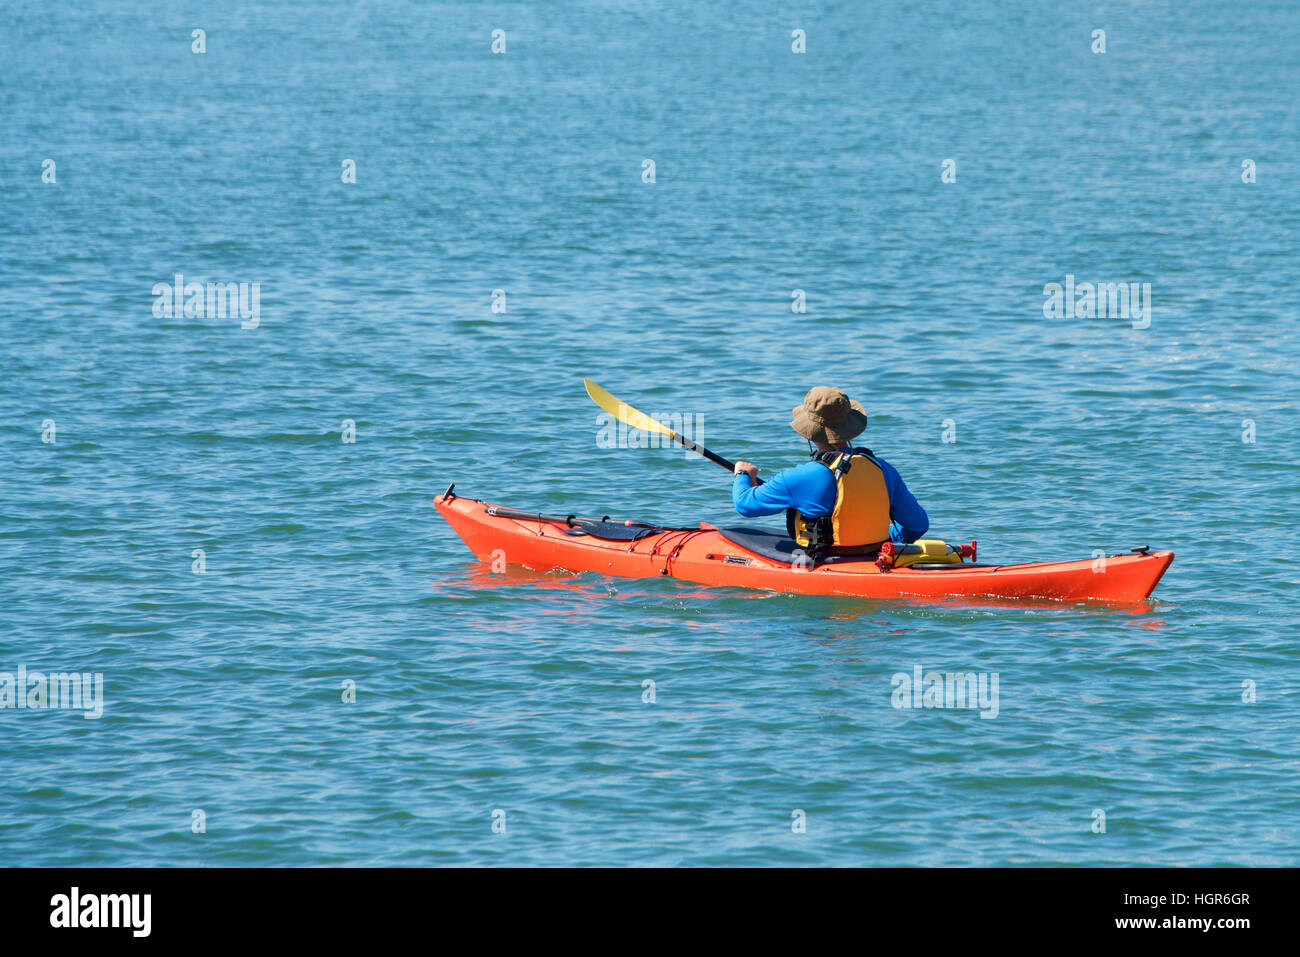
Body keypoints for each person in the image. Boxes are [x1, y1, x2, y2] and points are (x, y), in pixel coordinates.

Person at [732, 386, 928, 553]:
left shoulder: (799, 477)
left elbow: (745, 505)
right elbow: (918, 525)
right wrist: (886, 542)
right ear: (849, 427)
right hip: (875, 557)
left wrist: (743, 474)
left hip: (827, 561)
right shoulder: (883, 469)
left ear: (809, 433)